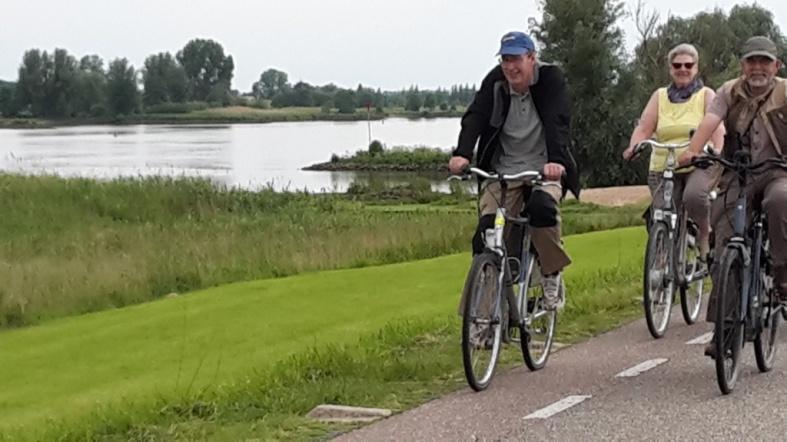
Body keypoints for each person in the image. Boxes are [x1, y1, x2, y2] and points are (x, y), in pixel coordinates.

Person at [449, 31, 579, 311]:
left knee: (542, 207)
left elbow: (558, 119)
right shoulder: (495, 81)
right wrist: (462, 153)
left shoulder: (549, 79)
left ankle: (550, 273)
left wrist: (556, 161)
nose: (510, 67)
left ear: (532, 58)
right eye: (505, 59)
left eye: (516, 59)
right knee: (486, 237)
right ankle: (483, 319)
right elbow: (476, 116)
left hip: (545, 169)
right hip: (503, 172)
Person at [679, 36, 787, 357]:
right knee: (725, 238)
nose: (758, 68)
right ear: (743, 66)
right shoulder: (729, 91)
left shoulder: (785, 91)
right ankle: (724, 329)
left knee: (781, 202)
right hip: (738, 173)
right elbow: (709, 122)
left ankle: (783, 278)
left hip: (777, 171)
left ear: (776, 66)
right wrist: (692, 151)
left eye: (764, 61)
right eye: (752, 61)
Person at [623, 43, 724, 264]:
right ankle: (664, 263)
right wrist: (634, 146)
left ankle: (704, 232)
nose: (683, 69)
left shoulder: (706, 95)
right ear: (670, 68)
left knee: (694, 196)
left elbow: (716, 126)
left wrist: (716, 150)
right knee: (664, 213)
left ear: (696, 68)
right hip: (664, 164)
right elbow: (644, 127)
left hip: (699, 162)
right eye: (677, 65)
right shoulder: (659, 96)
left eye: (688, 65)